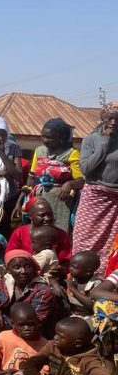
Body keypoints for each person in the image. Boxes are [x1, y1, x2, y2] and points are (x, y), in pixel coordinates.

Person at [73, 102, 118, 275]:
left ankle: (104, 280)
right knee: (85, 239)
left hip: (116, 199)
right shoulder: (91, 139)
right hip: (95, 197)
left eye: (117, 119)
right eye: (110, 118)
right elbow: (86, 168)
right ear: (103, 118)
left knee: (112, 243)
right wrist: (105, 143)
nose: (113, 122)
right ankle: (80, 277)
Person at [16, 118, 83, 231]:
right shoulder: (39, 151)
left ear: (60, 138)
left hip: (61, 202)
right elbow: (31, 177)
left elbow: (81, 180)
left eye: (49, 137)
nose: (45, 140)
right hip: (39, 199)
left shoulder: (72, 154)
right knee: (38, 232)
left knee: (59, 231)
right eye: (43, 136)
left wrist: (70, 184)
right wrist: (21, 201)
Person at [0, 249, 65, 340]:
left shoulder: (42, 291)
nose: (23, 271)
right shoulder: (2, 284)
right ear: (8, 270)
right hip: (6, 328)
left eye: (27, 266)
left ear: (33, 268)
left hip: (33, 335)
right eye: (17, 267)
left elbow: (36, 322)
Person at [7, 199, 71, 264]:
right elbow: (10, 256)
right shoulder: (20, 233)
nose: (47, 218)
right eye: (42, 215)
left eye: (50, 214)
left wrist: (60, 269)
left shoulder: (61, 234)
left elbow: (66, 259)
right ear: (30, 216)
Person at [65, 251, 101, 317]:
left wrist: (73, 289)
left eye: (74, 267)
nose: (70, 268)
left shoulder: (97, 284)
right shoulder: (70, 277)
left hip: (87, 316)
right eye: (70, 265)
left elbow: (92, 305)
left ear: (88, 272)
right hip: (70, 312)